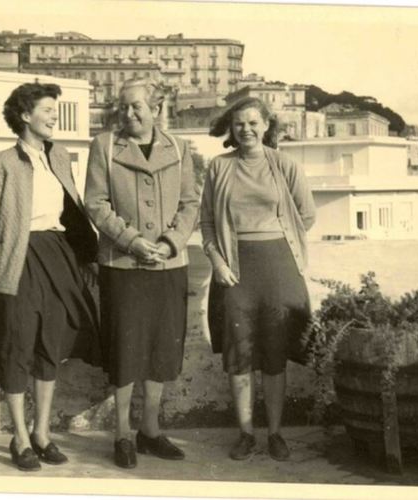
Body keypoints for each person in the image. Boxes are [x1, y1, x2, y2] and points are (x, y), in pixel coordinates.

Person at [0, 82, 100, 472]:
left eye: (54, 109)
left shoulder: (60, 156)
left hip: (59, 256)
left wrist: (89, 256)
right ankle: (19, 438)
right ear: (24, 116)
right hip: (18, 262)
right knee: (18, 346)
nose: (54, 116)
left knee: (52, 345)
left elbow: (74, 210)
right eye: (48, 110)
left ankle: (42, 433)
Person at [84, 78, 200, 469]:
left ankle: (150, 430)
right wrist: (132, 241)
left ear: (157, 107)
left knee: (160, 349)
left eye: (137, 107)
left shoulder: (179, 149)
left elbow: (190, 204)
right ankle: (122, 433)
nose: (129, 114)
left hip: (168, 265)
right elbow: (96, 204)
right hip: (123, 265)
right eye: (123, 107)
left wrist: (170, 244)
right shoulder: (103, 146)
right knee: (125, 349)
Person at [201, 97, 316, 461]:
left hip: (280, 267)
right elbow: (206, 225)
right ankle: (246, 433)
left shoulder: (284, 165)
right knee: (239, 353)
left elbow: (307, 215)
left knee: (275, 353)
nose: (246, 129)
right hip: (235, 270)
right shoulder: (218, 167)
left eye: (253, 123)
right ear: (231, 129)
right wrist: (217, 261)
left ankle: (276, 433)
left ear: (267, 125)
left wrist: (281, 238)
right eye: (239, 124)